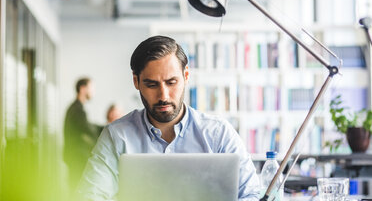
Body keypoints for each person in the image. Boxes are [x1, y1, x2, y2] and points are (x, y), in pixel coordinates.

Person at [77, 36, 260, 200]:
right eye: (151, 84)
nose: (163, 95)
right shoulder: (117, 135)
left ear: (186, 76)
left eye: (171, 82)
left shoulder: (219, 133)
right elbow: (90, 195)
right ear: (136, 82)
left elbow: (251, 194)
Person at [63, 78, 101, 194]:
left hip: (75, 157)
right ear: (83, 89)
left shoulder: (76, 108)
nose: (93, 92)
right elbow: (89, 129)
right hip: (77, 158)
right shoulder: (77, 110)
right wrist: (108, 128)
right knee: (77, 191)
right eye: (91, 88)